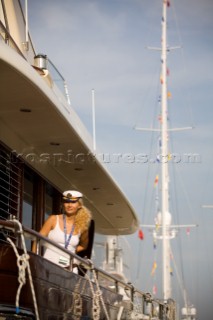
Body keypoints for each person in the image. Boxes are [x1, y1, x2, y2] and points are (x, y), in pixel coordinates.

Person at [32, 190, 92, 272]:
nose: (69, 205)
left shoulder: (82, 227)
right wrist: (33, 259)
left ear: (79, 205)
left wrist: (71, 250)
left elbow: (83, 246)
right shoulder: (53, 219)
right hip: (49, 265)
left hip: (70, 268)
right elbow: (37, 239)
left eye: (73, 202)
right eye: (67, 202)